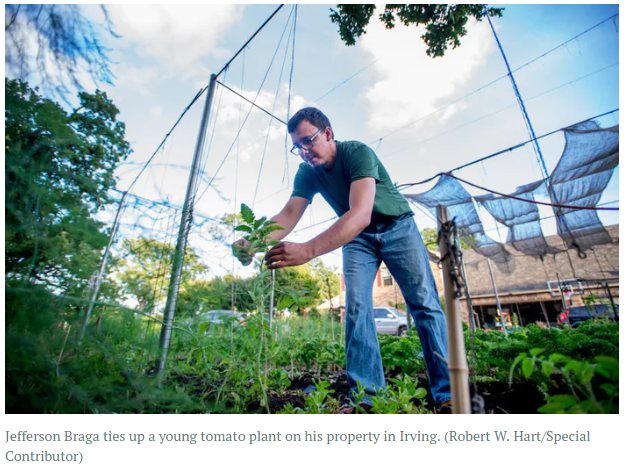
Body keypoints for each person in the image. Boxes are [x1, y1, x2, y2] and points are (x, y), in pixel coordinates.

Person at [232, 107, 451, 412]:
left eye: (308, 141)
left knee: (424, 305)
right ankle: (368, 398)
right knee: (357, 307)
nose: (305, 152)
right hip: (358, 239)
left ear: (328, 133)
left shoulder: (356, 153)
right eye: (298, 147)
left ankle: (448, 394)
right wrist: (253, 241)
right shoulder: (308, 172)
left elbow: (359, 214)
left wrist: (307, 250)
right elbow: (288, 215)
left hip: (396, 226)